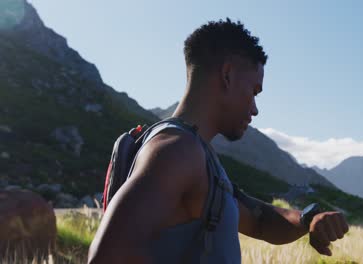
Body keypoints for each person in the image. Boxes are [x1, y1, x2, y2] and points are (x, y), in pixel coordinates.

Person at [88, 18, 348, 264]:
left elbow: (259, 220)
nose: (255, 109)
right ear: (227, 75)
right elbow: (105, 258)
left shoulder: (198, 156)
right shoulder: (177, 150)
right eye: (254, 91)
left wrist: (308, 219)